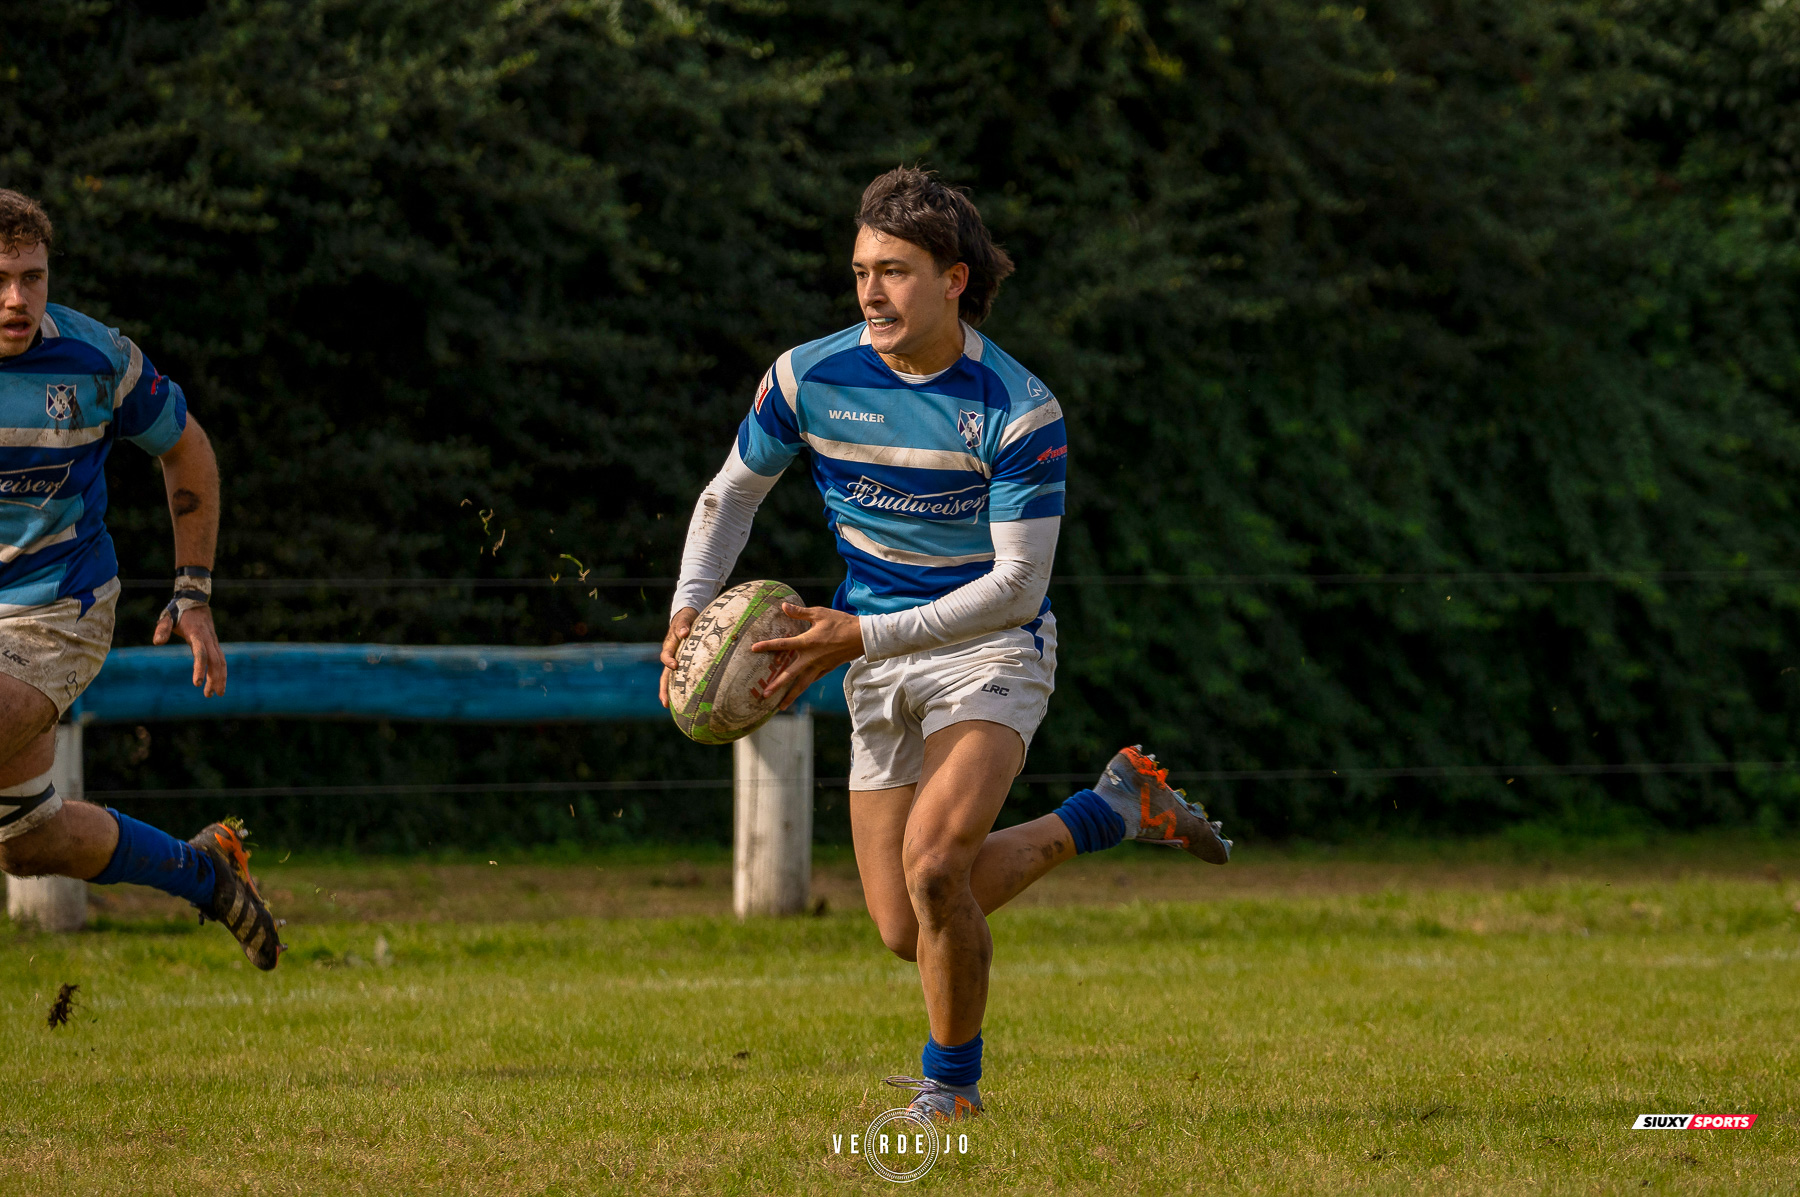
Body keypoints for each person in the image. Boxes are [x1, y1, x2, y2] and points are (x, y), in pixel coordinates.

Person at [660, 167, 1229, 1119]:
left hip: (989, 647)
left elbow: (1017, 587)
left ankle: (950, 1093)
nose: (871, 293)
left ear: (955, 279)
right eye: (860, 272)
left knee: (935, 868)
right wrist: (689, 602)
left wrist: (857, 633)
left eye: (896, 271)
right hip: (873, 657)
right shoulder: (807, 376)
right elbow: (732, 493)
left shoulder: (1018, 407)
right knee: (899, 923)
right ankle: (1113, 809)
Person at [0, 188, 282, 969]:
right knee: (30, 842)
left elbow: (186, 449)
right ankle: (207, 872)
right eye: (0, 279)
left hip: (61, 609)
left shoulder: (97, 362)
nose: (16, 298)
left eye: (32, 276)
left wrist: (193, 592)